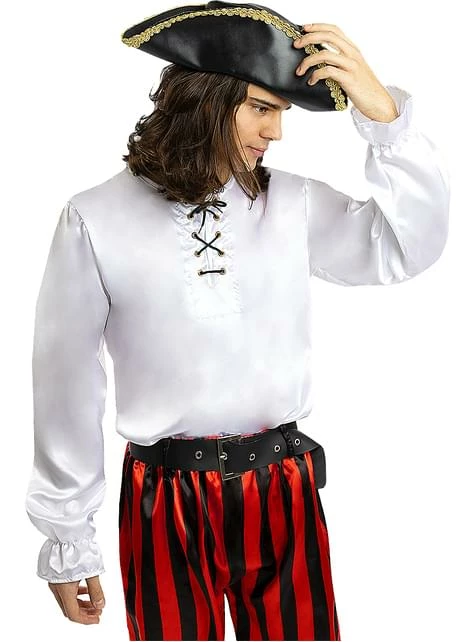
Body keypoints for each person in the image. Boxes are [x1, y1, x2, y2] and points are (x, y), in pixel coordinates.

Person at [25, 2, 450, 640]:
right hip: (165, 498)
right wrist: (68, 537)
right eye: (261, 108)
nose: (275, 132)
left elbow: (408, 246)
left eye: (281, 113)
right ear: (206, 100)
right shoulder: (94, 217)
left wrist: (383, 118)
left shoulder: (293, 203)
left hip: (281, 487)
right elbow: (65, 382)